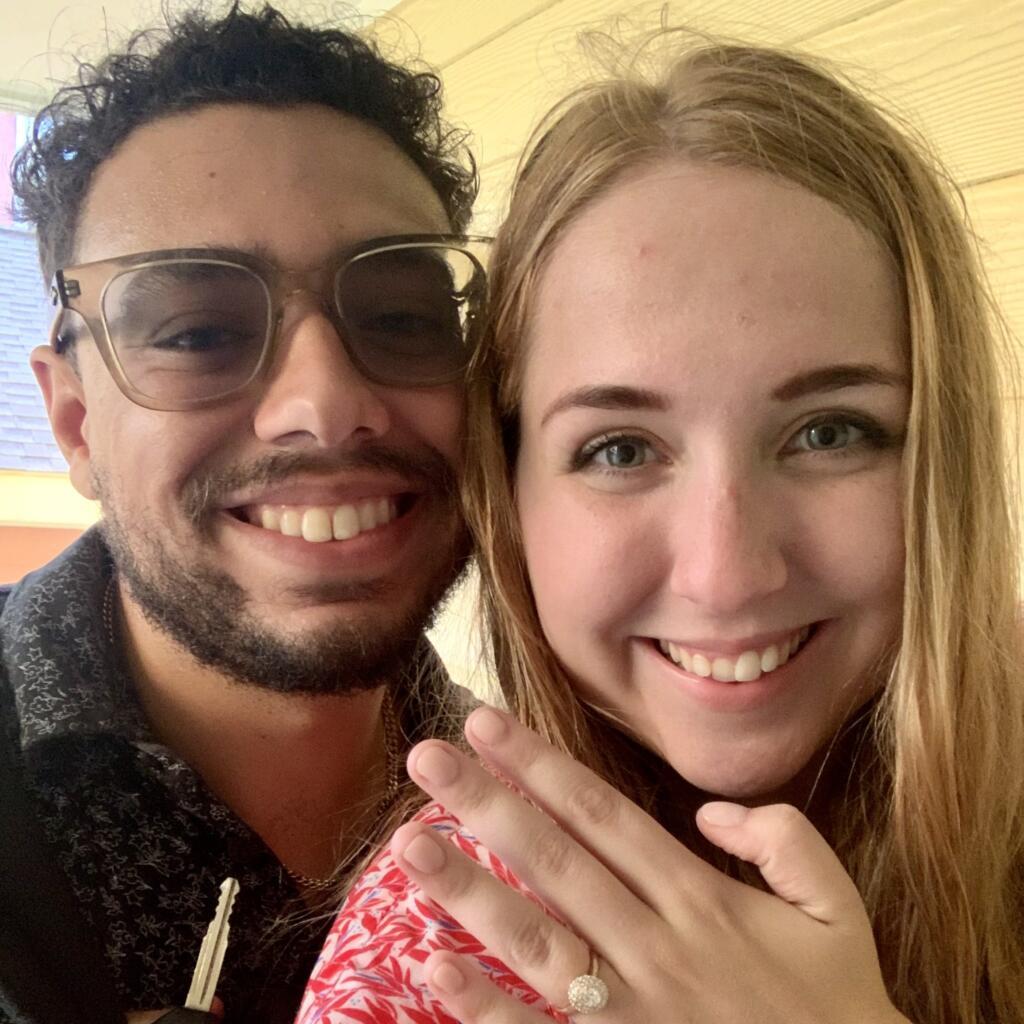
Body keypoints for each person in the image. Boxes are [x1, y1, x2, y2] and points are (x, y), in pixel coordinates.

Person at [298, 36, 1024, 1024]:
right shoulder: (433, 940)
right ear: (508, 491)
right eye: (619, 449)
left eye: (828, 431)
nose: (727, 574)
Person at [0, 4, 486, 1022]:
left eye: (400, 318)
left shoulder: (565, 808)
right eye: (197, 330)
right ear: (78, 423)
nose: (326, 404)